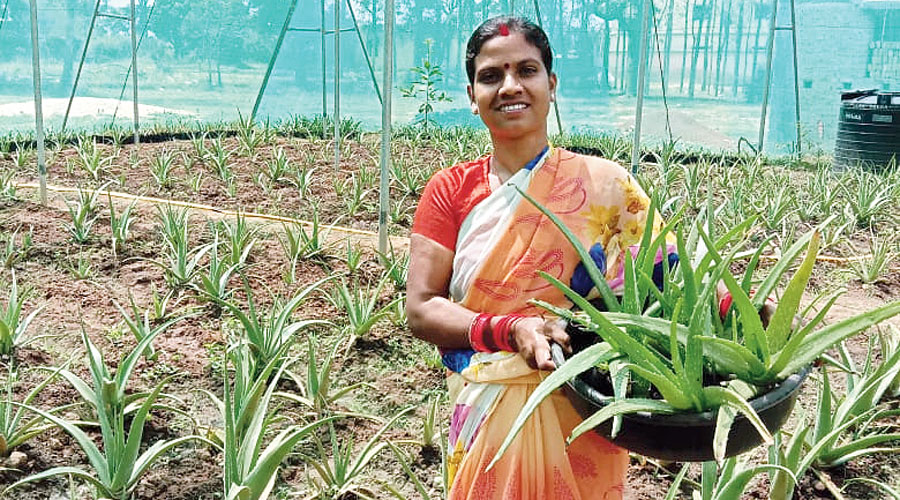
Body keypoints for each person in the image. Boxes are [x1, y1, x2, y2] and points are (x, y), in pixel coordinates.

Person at [406, 16, 667, 499]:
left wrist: (734, 307)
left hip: (583, 404)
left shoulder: (605, 184)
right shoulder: (450, 191)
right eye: (491, 76)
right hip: (486, 403)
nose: (509, 86)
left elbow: (665, 279)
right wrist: (511, 330)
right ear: (471, 95)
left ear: (551, 84)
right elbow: (421, 309)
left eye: (526, 70)